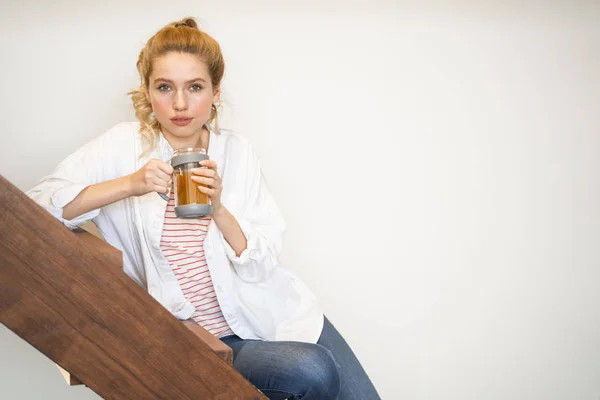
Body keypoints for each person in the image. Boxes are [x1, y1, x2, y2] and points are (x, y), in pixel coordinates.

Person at [27, 17, 381, 400]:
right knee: (310, 370)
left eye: (195, 87)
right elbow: (39, 206)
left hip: (269, 317)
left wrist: (219, 210)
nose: (180, 104)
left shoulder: (237, 152)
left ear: (215, 93)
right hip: (200, 340)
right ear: (147, 91)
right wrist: (130, 184)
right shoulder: (122, 146)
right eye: (165, 87)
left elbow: (263, 261)